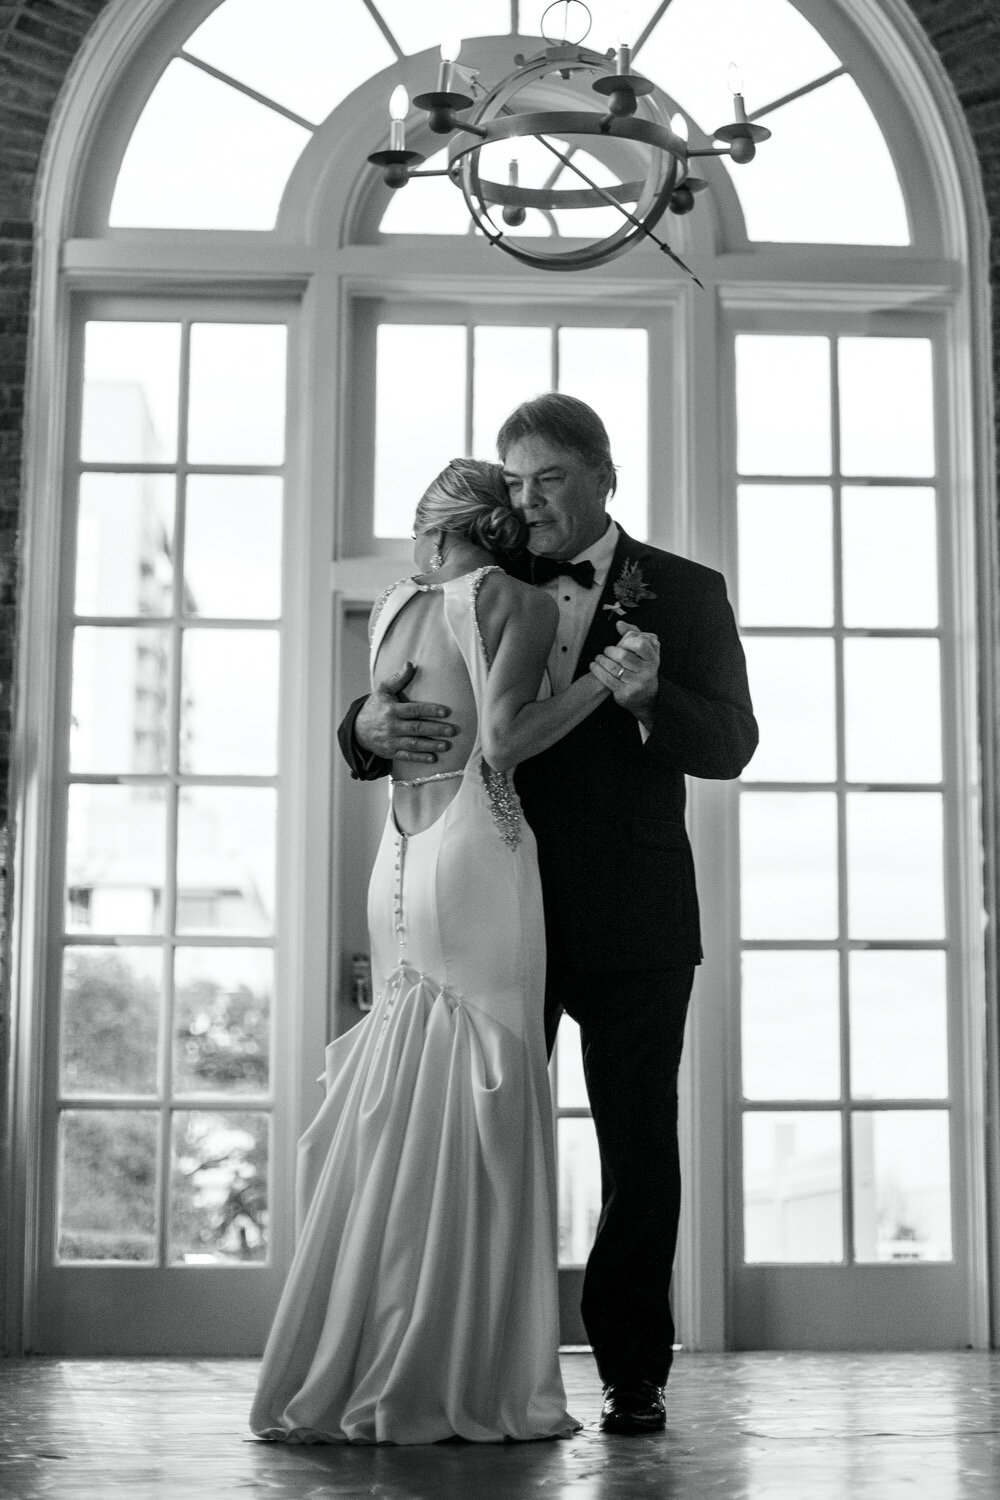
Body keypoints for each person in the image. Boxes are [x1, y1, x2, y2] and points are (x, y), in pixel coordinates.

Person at [338, 395, 758, 1435]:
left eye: (549, 481)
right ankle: (469, 1360)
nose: (526, 504)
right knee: (479, 1133)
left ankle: (632, 1372)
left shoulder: (688, 593)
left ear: (604, 477)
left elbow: (733, 743)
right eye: (513, 482)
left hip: (635, 914)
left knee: (636, 1145)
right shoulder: (485, 583)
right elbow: (397, 689)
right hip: (494, 905)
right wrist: (363, 724)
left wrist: (656, 698)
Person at [251, 457, 612, 1444]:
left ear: (436, 528)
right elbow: (501, 744)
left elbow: (391, 727)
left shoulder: (393, 604)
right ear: (491, 526)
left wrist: (370, 725)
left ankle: (366, 1357)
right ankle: (469, 1373)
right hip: (477, 843)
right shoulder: (513, 599)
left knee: (397, 1097)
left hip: (397, 851)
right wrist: (607, 682)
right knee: (488, 1100)